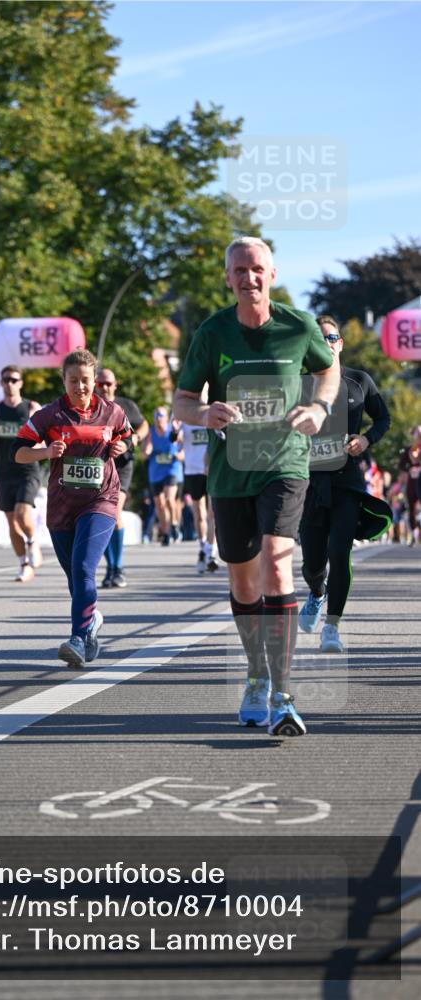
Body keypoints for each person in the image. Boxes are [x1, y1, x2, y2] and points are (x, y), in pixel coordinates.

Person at [174, 236, 339, 737]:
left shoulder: (298, 327)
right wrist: (204, 412)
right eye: (240, 270)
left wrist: (319, 407)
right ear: (228, 278)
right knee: (244, 583)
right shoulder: (212, 332)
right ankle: (255, 675)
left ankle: (285, 697)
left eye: (257, 269)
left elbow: (328, 369)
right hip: (231, 472)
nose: (249, 278)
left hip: (285, 463)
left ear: (272, 275)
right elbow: (183, 400)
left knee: (276, 562)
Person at [12, 348, 130, 668]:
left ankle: (77, 637)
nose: (80, 386)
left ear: (95, 380)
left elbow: (126, 439)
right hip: (62, 507)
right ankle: (90, 623)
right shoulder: (49, 415)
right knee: (76, 580)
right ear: (63, 381)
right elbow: (18, 452)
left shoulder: (113, 412)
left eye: (86, 380)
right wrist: (46, 452)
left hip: (101, 500)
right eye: (73, 380)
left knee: (83, 568)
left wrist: (121, 446)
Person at [297, 316, 391, 653]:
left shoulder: (359, 381)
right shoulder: (299, 383)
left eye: (332, 337)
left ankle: (332, 627)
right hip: (310, 482)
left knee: (340, 550)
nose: (327, 343)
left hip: (347, 480)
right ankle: (316, 592)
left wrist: (365, 440)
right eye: (320, 338)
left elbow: (383, 419)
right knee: (313, 563)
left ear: (341, 343)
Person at [0, 366, 42, 582]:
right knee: (12, 522)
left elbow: (42, 435)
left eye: (14, 380)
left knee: (22, 513)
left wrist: (38, 445)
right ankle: (24, 564)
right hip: (5, 473)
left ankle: (32, 541)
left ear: (21, 383)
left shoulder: (31, 407)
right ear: (1, 383)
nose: (10, 384)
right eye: (6, 380)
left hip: (27, 471)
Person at [95, 367, 148, 588]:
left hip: (122, 465)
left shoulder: (126, 405)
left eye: (109, 383)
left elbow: (143, 425)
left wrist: (134, 439)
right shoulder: (90, 408)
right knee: (100, 516)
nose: (105, 387)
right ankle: (111, 567)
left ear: (115, 385)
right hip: (98, 467)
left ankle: (117, 568)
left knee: (114, 511)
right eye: (101, 384)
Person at [178, 412, 219, 574]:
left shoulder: (212, 412)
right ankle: (202, 548)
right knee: (199, 514)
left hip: (211, 469)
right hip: (192, 470)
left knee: (212, 513)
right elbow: (175, 439)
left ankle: (211, 552)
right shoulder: (185, 413)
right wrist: (174, 431)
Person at [142, 406, 183, 546]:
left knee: (169, 499)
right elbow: (145, 450)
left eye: (161, 415)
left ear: (166, 418)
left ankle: (174, 524)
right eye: (156, 416)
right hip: (155, 472)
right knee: (159, 504)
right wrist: (146, 451)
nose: (158, 418)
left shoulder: (173, 430)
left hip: (172, 469)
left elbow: (184, 447)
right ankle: (165, 533)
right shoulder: (151, 431)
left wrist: (181, 454)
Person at [397, 424, 421, 546]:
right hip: (412, 482)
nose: (419, 435)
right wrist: (409, 469)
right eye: (417, 433)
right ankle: (414, 534)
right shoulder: (408, 450)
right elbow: (401, 465)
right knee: (411, 507)